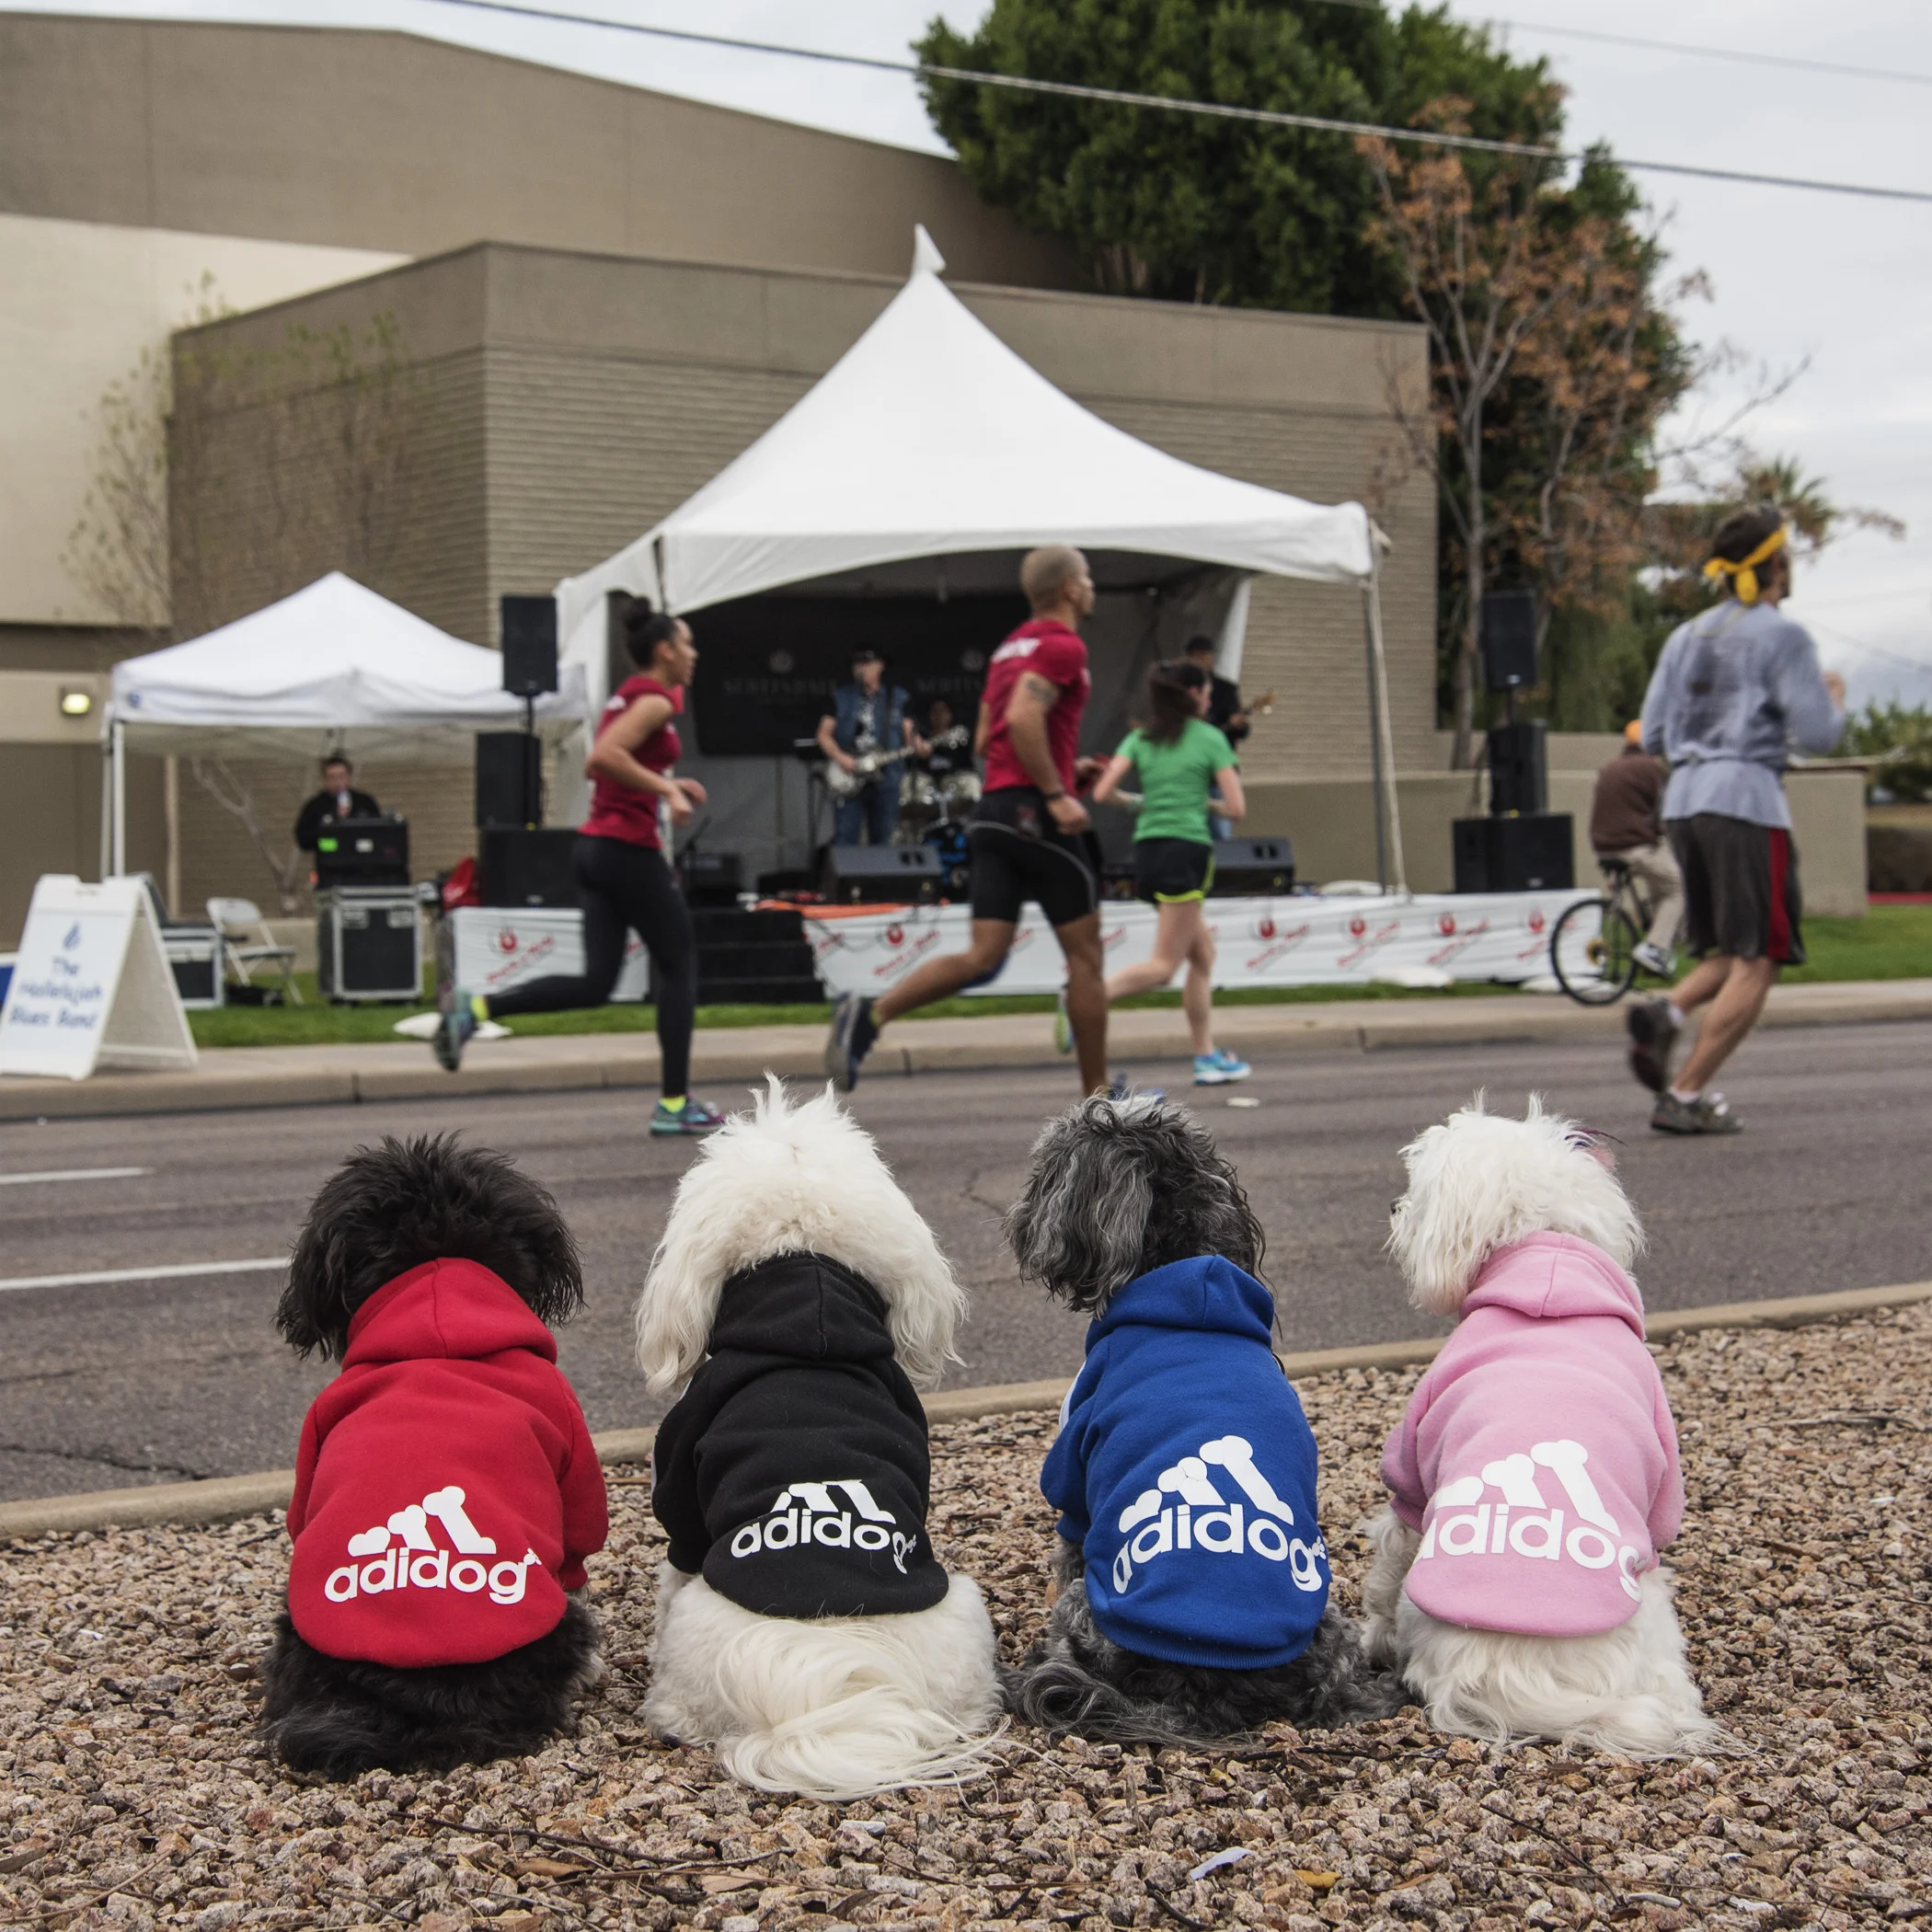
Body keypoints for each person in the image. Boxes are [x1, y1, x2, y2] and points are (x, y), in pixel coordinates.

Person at [824, 544, 1110, 1095]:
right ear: (1070, 588)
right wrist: (1056, 793)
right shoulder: (1063, 645)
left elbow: (987, 739)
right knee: (1087, 958)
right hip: (1034, 814)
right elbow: (1024, 717)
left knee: (984, 956)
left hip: (995, 813)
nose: (1092, 587)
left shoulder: (1008, 650)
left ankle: (869, 1015)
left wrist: (1065, 774)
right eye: (1088, 578)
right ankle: (1098, 1099)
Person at [431, 606, 728, 1136]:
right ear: (665, 651)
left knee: (595, 983)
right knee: (679, 964)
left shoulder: (630, 694)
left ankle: (474, 1007)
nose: (694, 654)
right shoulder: (655, 700)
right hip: (626, 852)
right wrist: (664, 788)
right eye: (687, 644)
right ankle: (675, 1104)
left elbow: (617, 764)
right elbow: (602, 759)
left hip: (596, 850)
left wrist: (669, 781)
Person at [1625, 506, 1846, 1135]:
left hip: (1686, 804)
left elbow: (1656, 733)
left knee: (1731, 949)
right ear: (1775, 562)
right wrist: (1834, 698)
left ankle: (1666, 1013)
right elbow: (1820, 736)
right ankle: (1686, 1094)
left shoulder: (1685, 636)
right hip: (1746, 802)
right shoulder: (1783, 636)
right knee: (1762, 957)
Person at [1091, 659, 1252, 1086]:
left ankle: (1206, 1057)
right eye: (1207, 692)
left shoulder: (1142, 737)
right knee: (1164, 966)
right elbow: (1237, 808)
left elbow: (1103, 792)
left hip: (1148, 853)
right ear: (1195, 695)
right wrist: (1206, 804)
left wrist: (1142, 803)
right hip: (1186, 853)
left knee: (1203, 955)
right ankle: (1085, 1000)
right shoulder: (1211, 738)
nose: (1211, 698)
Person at [1590, 719, 1685, 979]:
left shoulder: (1610, 766)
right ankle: (1654, 948)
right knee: (1678, 887)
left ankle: (1654, 952)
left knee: (1661, 888)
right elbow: (1665, 809)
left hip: (1603, 846)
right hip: (1633, 846)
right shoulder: (1653, 768)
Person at [816, 648, 919, 846]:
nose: (861, 668)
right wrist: (842, 759)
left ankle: (880, 878)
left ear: (880, 666)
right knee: (846, 838)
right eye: (857, 664)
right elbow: (823, 734)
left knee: (884, 840)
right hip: (849, 778)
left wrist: (920, 746)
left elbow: (910, 734)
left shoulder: (897, 697)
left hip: (886, 780)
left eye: (867, 663)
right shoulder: (841, 697)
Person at [294, 753, 379, 852]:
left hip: (361, 862)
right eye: (332, 777)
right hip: (328, 861)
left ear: (349, 777)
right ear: (325, 780)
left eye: (341, 776)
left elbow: (378, 831)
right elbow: (303, 838)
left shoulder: (364, 802)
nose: (337, 782)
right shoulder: (315, 805)